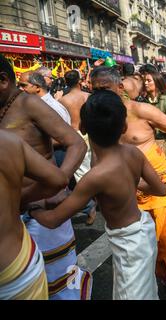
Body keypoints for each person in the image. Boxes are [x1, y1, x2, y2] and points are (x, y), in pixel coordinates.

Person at [89, 66, 166, 300]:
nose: (99, 95)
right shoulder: (95, 115)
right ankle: (158, 275)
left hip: (156, 178)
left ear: (120, 88)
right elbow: (95, 153)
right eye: (95, 91)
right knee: (139, 237)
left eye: (104, 89)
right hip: (123, 183)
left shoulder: (140, 109)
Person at [29, 90, 166, 300]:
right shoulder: (134, 153)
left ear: (83, 128)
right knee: (141, 291)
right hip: (141, 231)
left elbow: (53, 220)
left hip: (130, 244)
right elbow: (160, 189)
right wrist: (128, 180)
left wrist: (32, 207)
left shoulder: (95, 176)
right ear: (124, 126)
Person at [0, 54, 90, 299]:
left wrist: (57, 183)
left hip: (42, 214)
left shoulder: (27, 104)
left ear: (3, 80)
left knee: (61, 288)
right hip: (11, 222)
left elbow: (76, 144)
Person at [0, 130, 68, 300]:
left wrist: (22, 202)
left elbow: (59, 181)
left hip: (16, 273)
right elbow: (58, 181)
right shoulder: (8, 141)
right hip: (19, 266)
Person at [59, 70, 97, 225]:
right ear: (79, 81)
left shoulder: (62, 100)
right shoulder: (88, 97)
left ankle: (92, 200)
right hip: (90, 133)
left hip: (74, 137)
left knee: (81, 172)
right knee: (94, 166)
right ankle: (98, 197)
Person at [142, 69, 166, 160]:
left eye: (149, 81)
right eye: (144, 81)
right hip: (150, 146)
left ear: (156, 82)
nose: (145, 83)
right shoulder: (143, 102)